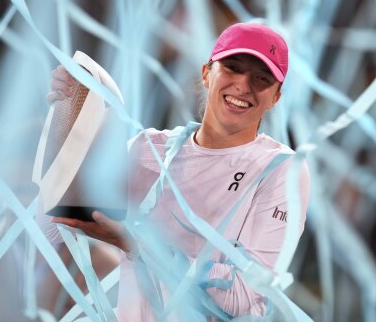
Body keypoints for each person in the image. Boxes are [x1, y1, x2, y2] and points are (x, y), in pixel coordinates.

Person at [37, 22, 311, 320]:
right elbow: (57, 226)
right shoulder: (148, 149)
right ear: (207, 73)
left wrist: (136, 243)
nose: (243, 86)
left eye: (261, 78)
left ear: (275, 97)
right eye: (232, 67)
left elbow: (242, 296)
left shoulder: (280, 169)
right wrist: (72, 113)